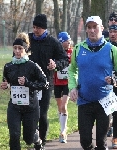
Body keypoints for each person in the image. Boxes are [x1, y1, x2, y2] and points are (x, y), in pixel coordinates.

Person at [68, 16, 117, 150]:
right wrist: (72, 87)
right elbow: (72, 70)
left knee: (101, 143)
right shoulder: (78, 49)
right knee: (85, 141)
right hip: (84, 101)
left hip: (104, 102)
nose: (92, 30)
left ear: (102, 28)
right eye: (89, 27)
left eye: (95, 27)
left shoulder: (112, 50)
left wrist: (114, 80)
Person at [0, 32, 48, 150]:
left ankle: (37, 140)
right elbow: (6, 81)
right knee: (14, 135)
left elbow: (45, 83)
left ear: (25, 50)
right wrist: (6, 85)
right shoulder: (8, 66)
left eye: (20, 48)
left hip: (31, 107)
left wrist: (28, 83)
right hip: (15, 106)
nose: (17, 51)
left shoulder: (33, 66)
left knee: (28, 139)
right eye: (15, 48)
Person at [28, 14, 69, 149]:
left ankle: (42, 141)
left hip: (46, 83)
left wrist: (55, 65)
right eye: (34, 27)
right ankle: (32, 136)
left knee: (42, 113)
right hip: (28, 83)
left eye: (38, 28)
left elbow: (64, 59)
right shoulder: (28, 40)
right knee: (30, 113)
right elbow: (17, 53)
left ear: (44, 28)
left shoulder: (52, 42)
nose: (35, 30)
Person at [53, 32, 73, 143]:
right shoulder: (56, 53)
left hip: (67, 83)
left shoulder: (73, 52)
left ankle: (63, 132)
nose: (68, 42)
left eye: (69, 40)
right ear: (61, 42)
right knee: (59, 106)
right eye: (66, 40)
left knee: (64, 105)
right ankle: (62, 128)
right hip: (57, 83)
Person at [107, 24, 117, 149]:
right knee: (111, 111)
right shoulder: (105, 47)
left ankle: (115, 137)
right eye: (111, 32)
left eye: (115, 32)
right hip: (106, 83)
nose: (113, 34)